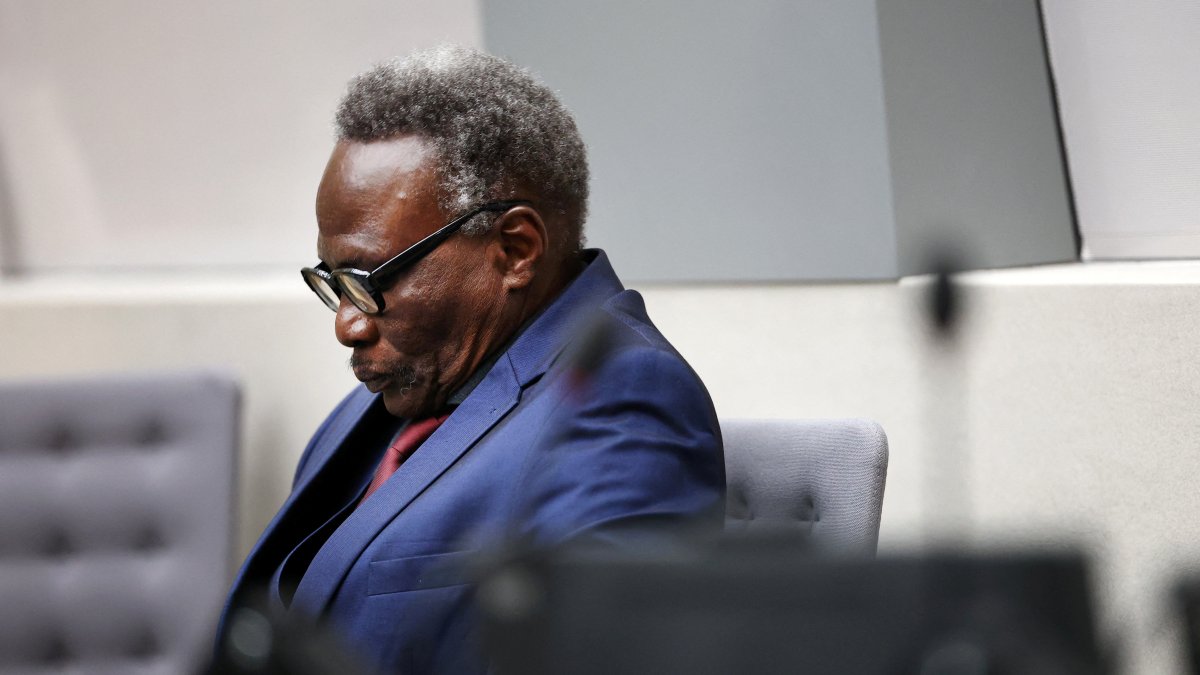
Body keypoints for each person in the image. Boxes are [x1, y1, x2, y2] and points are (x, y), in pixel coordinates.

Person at [219, 45, 724, 674]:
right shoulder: (394, 393)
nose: (348, 325)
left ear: (515, 249)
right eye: (333, 282)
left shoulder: (624, 398)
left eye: (368, 279)